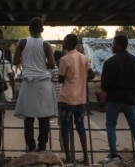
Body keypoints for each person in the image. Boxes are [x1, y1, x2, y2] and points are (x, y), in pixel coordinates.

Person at [13, 17, 58, 152]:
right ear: (42, 30)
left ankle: (31, 147)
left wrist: (27, 61)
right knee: (44, 118)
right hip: (43, 84)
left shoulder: (22, 42)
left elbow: (15, 61)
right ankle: (42, 146)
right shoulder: (46, 45)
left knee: (28, 118)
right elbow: (51, 64)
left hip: (28, 83)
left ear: (29, 29)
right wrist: (40, 63)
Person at [101, 35, 135, 163]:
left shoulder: (109, 63)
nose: (112, 46)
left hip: (114, 99)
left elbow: (104, 86)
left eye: (113, 43)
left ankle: (114, 153)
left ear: (118, 44)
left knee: (110, 125)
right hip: (131, 99)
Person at [58, 34, 95, 165]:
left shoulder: (64, 59)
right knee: (81, 127)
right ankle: (86, 158)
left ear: (69, 44)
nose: (63, 43)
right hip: (80, 98)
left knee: (65, 127)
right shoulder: (84, 58)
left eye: (64, 41)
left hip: (67, 98)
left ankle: (68, 158)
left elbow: (60, 78)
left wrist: (71, 80)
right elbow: (91, 74)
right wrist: (82, 80)